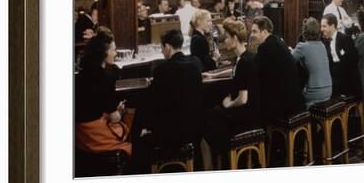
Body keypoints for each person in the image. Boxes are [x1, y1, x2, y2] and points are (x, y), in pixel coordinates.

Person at [132, 29, 203, 172]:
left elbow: (151, 103)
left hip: (172, 134)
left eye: (162, 48)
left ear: (168, 47)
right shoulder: (195, 64)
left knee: (139, 138)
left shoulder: (163, 69)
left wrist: (137, 129)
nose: (162, 52)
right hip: (194, 129)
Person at [202, 19, 260, 165]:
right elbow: (234, 70)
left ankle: (221, 162)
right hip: (254, 112)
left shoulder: (244, 62)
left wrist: (228, 104)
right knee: (212, 114)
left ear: (235, 38)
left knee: (207, 120)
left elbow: (243, 99)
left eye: (227, 37)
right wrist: (214, 75)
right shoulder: (247, 56)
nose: (224, 41)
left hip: (246, 117)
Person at [75, 27, 134, 159]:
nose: (115, 53)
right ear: (104, 53)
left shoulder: (78, 76)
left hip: (79, 136)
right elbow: (114, 118)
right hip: (96, 136)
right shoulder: (106, 78)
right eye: (113, 50)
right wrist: (121, 111)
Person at [250, 16, 304, 121]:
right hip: (295, 100)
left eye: (254, 31)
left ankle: (264, 136)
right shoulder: (279, 42)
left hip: (284, 107)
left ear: (264, 32)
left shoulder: (265, 47)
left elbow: (255, 73)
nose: (251, 35)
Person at [292, 18, 333, 108]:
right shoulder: (322, 45)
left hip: (314, 94)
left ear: (304, 31)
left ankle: (303, 120)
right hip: (328, 91)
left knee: (292, 98)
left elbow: (288, 61)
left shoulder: (302, 47)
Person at [321, 13, 362, 99]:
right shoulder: (323, 41)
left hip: (347, 81)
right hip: (333, 79)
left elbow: (352, 62)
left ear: (332, 26)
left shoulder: (345, 39)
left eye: (324, 26)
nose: (321, 29)